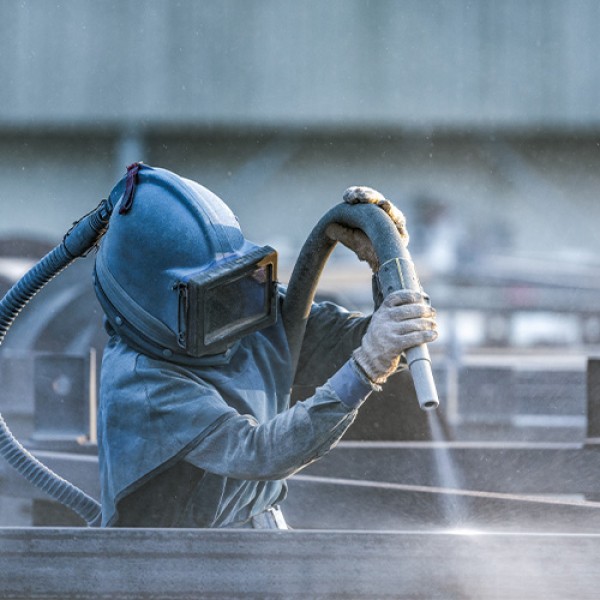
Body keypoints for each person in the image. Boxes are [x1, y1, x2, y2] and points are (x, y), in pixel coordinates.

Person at [93, 163, 437, 529]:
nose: (232, 311)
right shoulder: (143, 382)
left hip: (252, 541)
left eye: (236, 282)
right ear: (155, 308)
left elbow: (362, 342)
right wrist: (367, 366)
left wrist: (385, 266)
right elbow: (258, 453)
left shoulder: (238, 306)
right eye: (211, 299)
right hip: (173, 568)